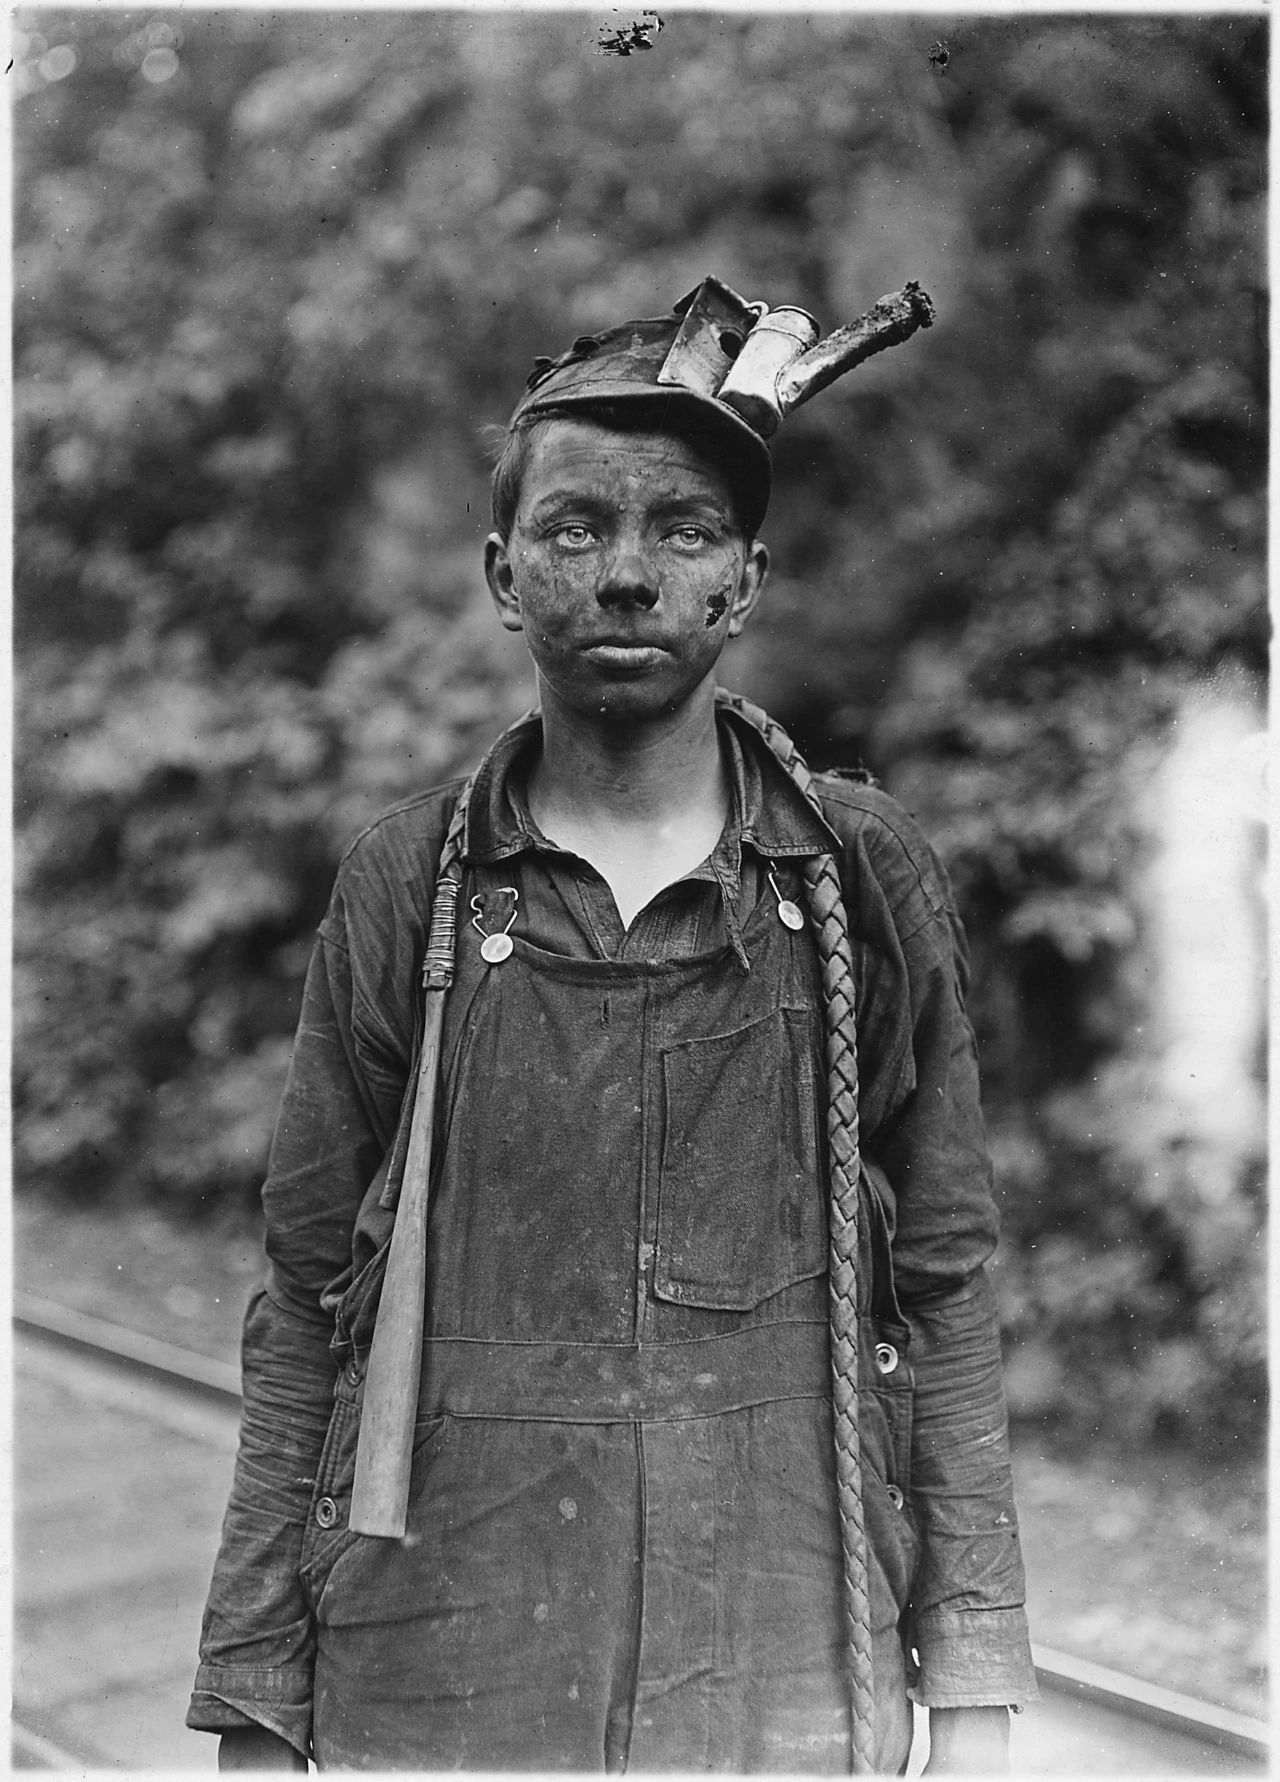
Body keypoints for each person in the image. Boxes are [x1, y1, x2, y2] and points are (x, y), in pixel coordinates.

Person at [189, 277, 1037, 1774]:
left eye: (683, 529)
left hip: (778, 1666)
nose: (630, 573)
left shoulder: (854, 875)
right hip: (444, 1668)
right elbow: (309, 1295)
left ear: (746, 579)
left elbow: (948, 1286)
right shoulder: (411, 884)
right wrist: (258, 1698)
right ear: (504, 572)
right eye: (579, 527)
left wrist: (968, 1685)